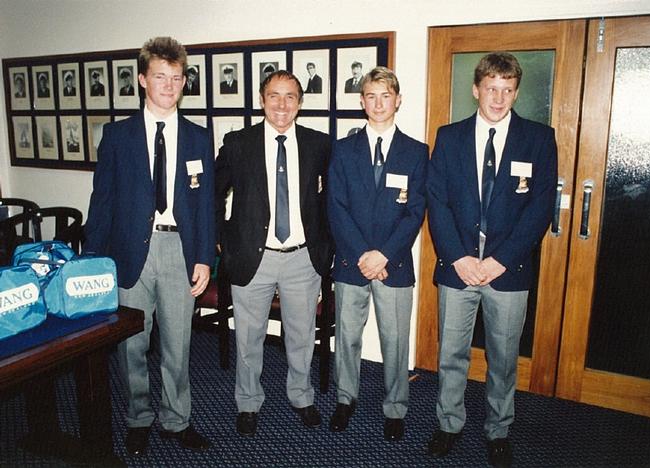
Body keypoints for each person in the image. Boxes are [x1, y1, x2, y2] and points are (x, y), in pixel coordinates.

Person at [426, 52, 557, 467]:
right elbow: (437, 201)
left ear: (516, 92)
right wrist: (459, 257)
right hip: (457, 268)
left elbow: (540, 208)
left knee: (502, 359)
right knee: (452, 355)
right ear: (476, 89)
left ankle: (498, 429)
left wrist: (499, 260)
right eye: (491, 88)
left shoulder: (538, 138)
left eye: (507, 90)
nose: (499, 98)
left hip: (508, 271)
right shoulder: (449, 136)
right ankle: (449, 424)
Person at [84, 36, 215, 456]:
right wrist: (93, 262)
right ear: (143, 79)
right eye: (160, 76)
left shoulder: (198, 137)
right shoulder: (117, 136)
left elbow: (208, 203)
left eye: (176, 78)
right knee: (131, 344)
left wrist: (204, 258)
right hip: (129, 252)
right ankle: (139, 418)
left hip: (179, 251)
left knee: (179, 343)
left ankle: (177, 420)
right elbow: (101, 202)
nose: (169, 85)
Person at [215, 70, 332, 437]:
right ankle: (248, 402)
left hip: (302, 257)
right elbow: (212, 195)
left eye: (290, 96)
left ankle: (301, 396)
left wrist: (326, 245)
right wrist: (222, 240)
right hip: (254, 256)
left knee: (300, 335)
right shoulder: (238, 143)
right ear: (262, 99)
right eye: (274, 96)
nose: (282, 104)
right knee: (249, 337)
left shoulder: (320, 144)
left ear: (300, 102)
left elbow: (332, 200)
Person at [327, 66, 427, 441]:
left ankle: (396, 407)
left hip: (394, 264)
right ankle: (345, 398)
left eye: (386, 96)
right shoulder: (343, 149)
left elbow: (415, 210)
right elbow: (336, 207)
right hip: (352, 263)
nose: (379, 103)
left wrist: (383, 255)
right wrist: (362, 256)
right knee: (348, 336)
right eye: (371, 96)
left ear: (398, 100)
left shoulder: (417, 152)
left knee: (395, 340)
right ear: (362, 102)